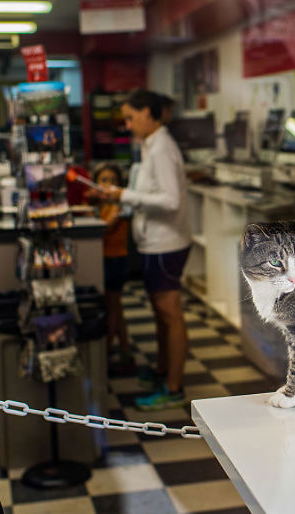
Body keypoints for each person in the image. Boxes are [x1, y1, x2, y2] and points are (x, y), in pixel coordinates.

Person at [103, 89, 191, 411]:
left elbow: (171, 200)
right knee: (160, 313)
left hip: (167, 243)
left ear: (148, 114)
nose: (127, 125)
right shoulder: (148, 147)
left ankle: (174, 387)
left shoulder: (162, 149)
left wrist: (125, 195)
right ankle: (162, 371)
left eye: (130, 117)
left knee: (170, 313)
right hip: (154, 242)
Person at [91, 163, 135, 375]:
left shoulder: (119, 206)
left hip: (115, 260)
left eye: (112, 181)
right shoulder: (101, 204)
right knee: (115, 307)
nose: (108, 185)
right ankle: (124, 349)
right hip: (106, 259)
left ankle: (109, 350)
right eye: (103, 180)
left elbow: (105, 226)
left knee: (112, 307)